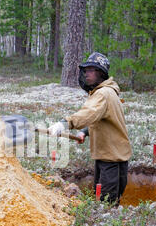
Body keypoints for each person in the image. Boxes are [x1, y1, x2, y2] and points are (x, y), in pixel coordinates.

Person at [48, 52, 132, 206]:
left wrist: (65, 123)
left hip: (111, 159)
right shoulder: (108, 92)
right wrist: (85, 132)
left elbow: (89, 113)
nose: (87, 74)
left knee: (107, 203)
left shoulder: (103, 94)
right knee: (102, 198)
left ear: (101, 73)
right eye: (86, 70)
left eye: (91, 70)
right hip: (110, 155)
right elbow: (101, 117)